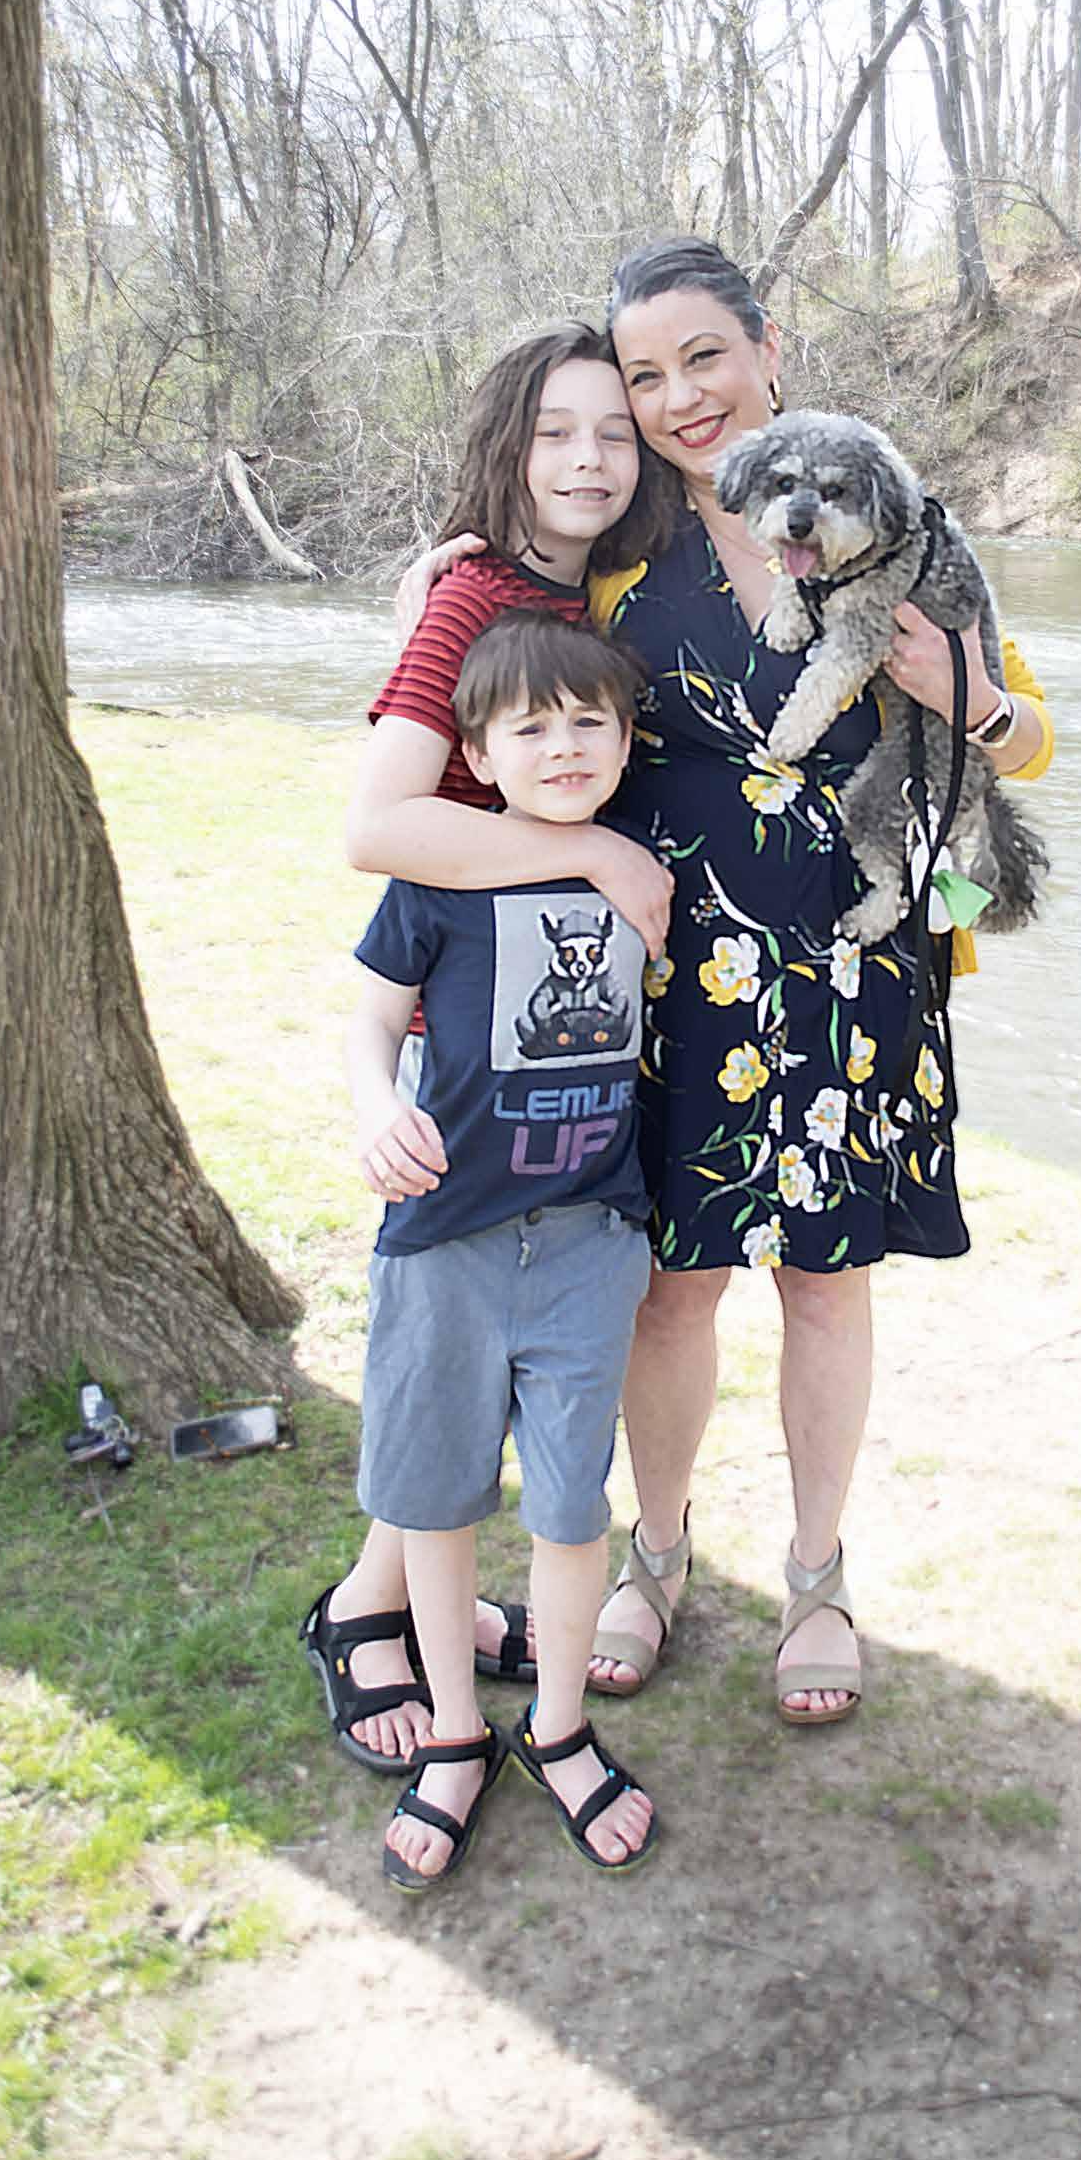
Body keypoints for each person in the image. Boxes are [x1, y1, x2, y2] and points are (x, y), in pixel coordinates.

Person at [396, 241, 1054, 1728]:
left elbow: (1027, 738)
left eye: (705, 357)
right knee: (670, 1288)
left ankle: (817, 1575)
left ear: (768, 350)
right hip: (673, 972)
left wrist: (974, 702)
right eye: (646, 374)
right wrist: (446, 578)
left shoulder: (889, 516)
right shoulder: (619, 552)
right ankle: (658, 1552)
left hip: (857, 962)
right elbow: (503, 660)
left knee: (826, 1280)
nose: (680, 396)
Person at [299, 320, 678, 1780]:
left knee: (485, 1371)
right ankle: (367, 1609)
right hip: (465, 1028)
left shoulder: (577, 591)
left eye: (613, 433)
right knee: (444, 1364)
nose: (587, 459)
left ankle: (407, 1599)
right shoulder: (476, 592)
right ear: (508, 444)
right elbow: (378, 825)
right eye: (554, 432)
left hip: (554, 1049)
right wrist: (588, 853)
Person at [343, 610, 660, 1886]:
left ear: (627, 742)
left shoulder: (642, 876)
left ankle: (561, 1727)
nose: (564, 745)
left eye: (590, 721)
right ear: (476, 754)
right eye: (529, 727)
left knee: (573, 1505)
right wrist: (374, 1105)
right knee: (434, 1499)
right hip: (445, 1240)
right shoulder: (437, 878)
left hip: (591, 1242)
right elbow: (372, 1024)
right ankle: (455, 1733)